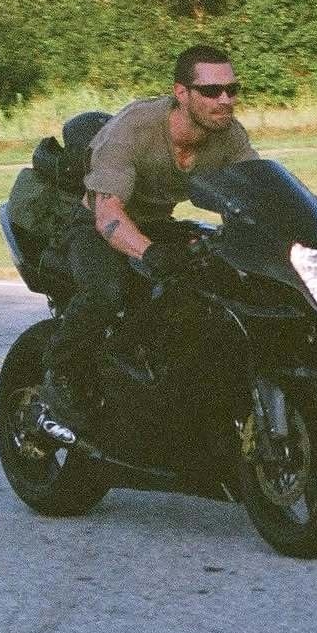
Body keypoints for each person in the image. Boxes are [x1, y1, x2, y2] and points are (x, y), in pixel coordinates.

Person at [39, 44, 258, 439]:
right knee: (106, 292)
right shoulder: (135, 128)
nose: (225, 100)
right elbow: (108, 214)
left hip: (158, 223)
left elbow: (254, 189)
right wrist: (149, 252)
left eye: (232, 89)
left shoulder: (228, 135)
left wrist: (303, 215)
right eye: (211, 91)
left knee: (218, 286)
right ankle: (62, 369)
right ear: (181, 93)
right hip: (96, 223)